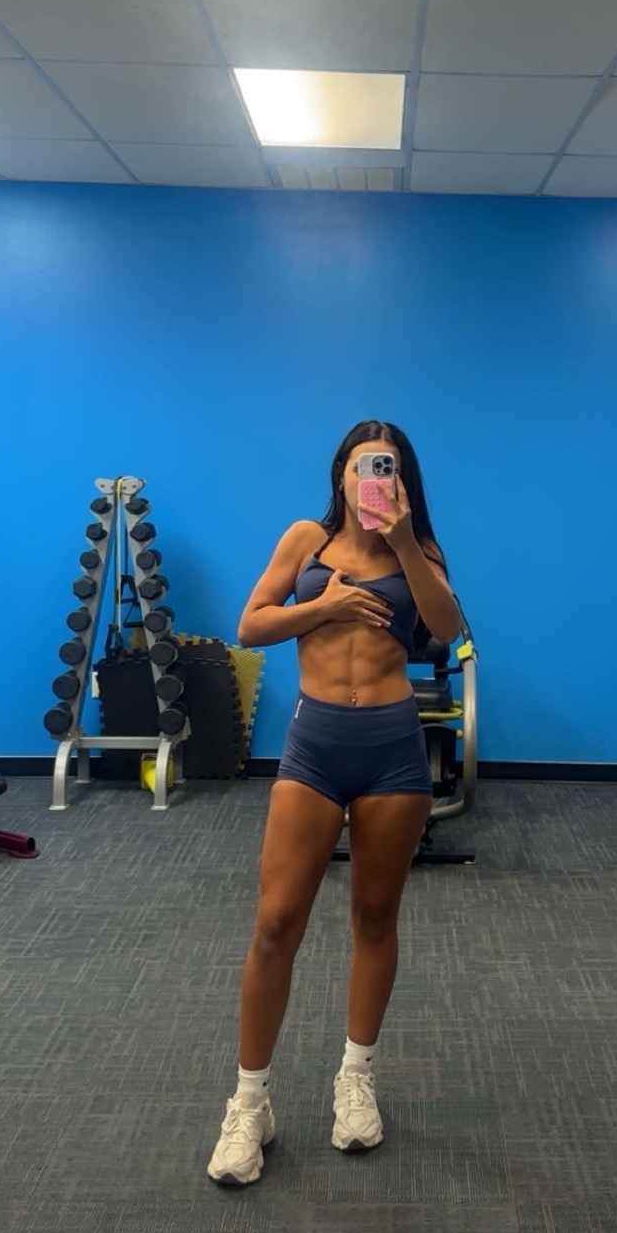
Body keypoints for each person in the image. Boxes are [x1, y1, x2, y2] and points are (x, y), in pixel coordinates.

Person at [207, 420, 462, 1187]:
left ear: (402, 480)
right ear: (340, 476)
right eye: (360, 466)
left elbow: (445, 629)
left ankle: (356, 1078)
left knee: (375, 918)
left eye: (386, 468)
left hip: (391, 748)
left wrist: (406, 541)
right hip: (316, 745)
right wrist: (328, 605)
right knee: (275, 924)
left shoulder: (419, 550)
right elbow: (251, 625)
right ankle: (249, 1104)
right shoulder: (305, 540)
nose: (372, 479)